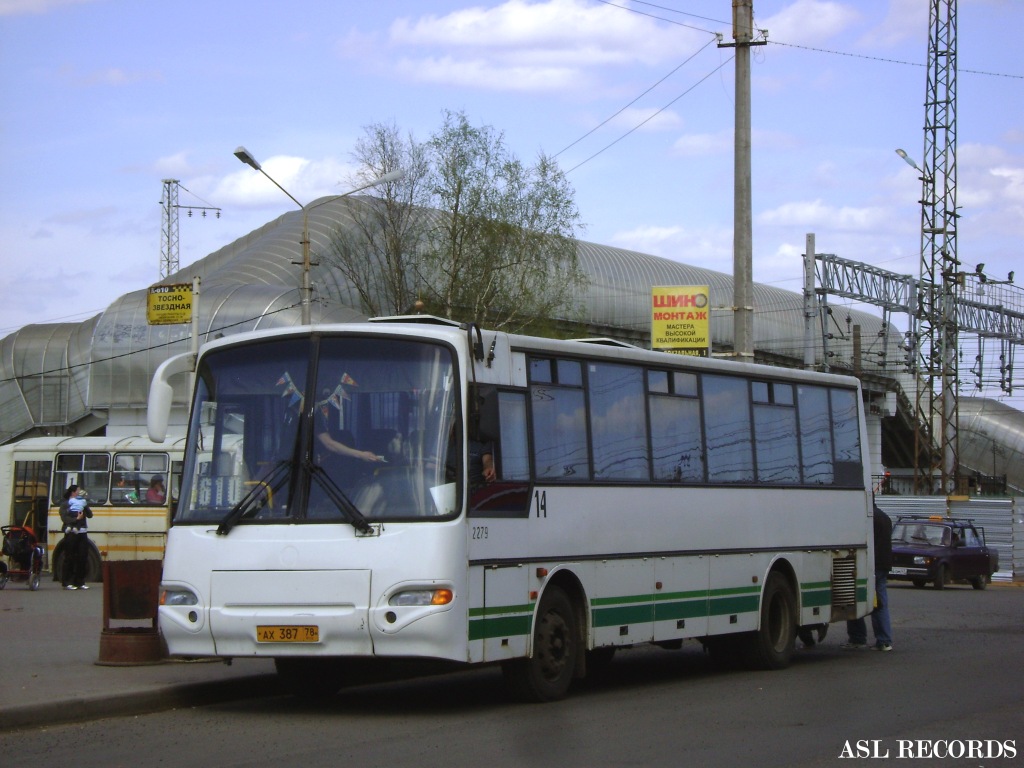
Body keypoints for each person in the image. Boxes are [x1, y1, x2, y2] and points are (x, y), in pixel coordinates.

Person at [842, 504, 893, 651]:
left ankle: (858, 638)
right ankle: (884, 640)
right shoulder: (885, 517)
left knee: (854, 597)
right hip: (884, 565)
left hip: (870, 565)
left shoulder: (867, 517)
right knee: (880, 603)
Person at [59, 484, 92, 590]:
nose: (79, 492)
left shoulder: (82, 502)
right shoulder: (66, 504)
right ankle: (67, 582)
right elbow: (64, 517)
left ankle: (80, 582)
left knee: (82, 556)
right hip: (71, 533)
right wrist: (76, 519)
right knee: (70, 556)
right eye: (78, 490)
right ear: (73, 492)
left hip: (82, 532)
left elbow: (90, 515)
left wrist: (85, 506)